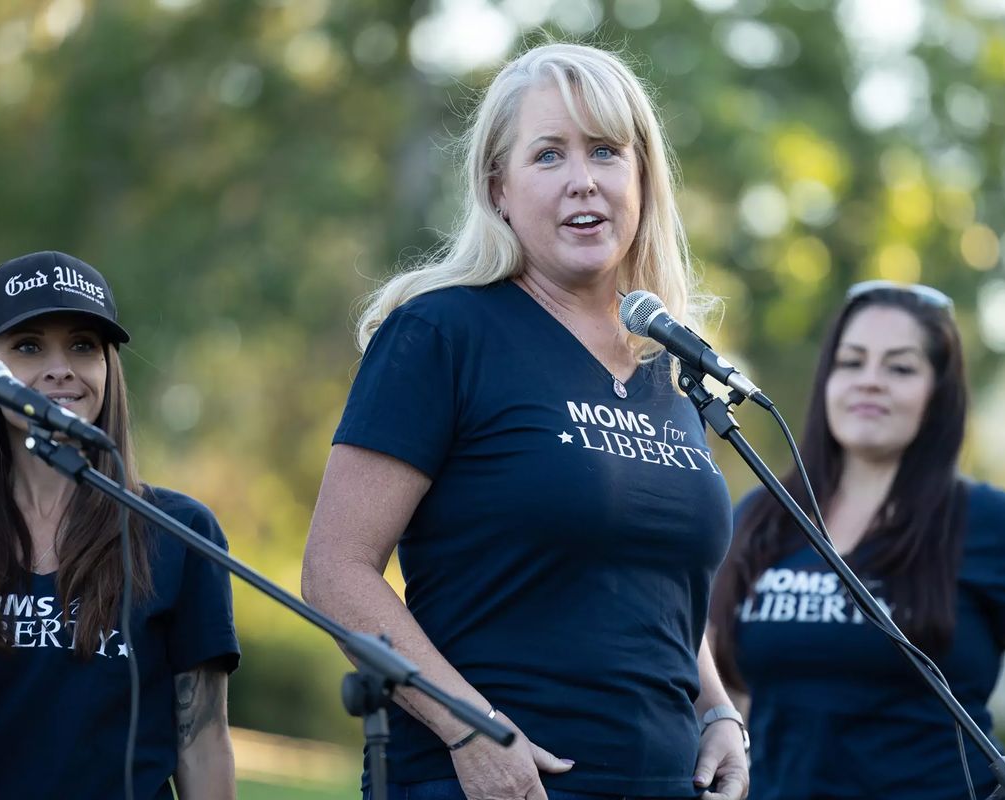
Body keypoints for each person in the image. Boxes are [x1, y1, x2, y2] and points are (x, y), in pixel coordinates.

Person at [302, 43, 749, 800]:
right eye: (548, 156)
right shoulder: (442, 333)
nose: (583, 180)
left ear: (642, 178)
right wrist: (469, 726)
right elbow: (334, 572)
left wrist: (719, 714)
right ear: (498, 188)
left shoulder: (666, 364)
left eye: (606, 152)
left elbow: (653, 585)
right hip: (497, 785)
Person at [710, 280, 1005, 799]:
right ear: (827, 380)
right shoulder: (763, 516)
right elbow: (716, 677)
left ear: (939, 392)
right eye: (852, 362)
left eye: (900, 367)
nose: (870, 381)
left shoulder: (992, 525)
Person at [0, 250, 240, 799]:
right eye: (29, 346)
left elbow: (202, 744)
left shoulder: (179, 532)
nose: (61, 367)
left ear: (108, 367)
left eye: (83, 345)